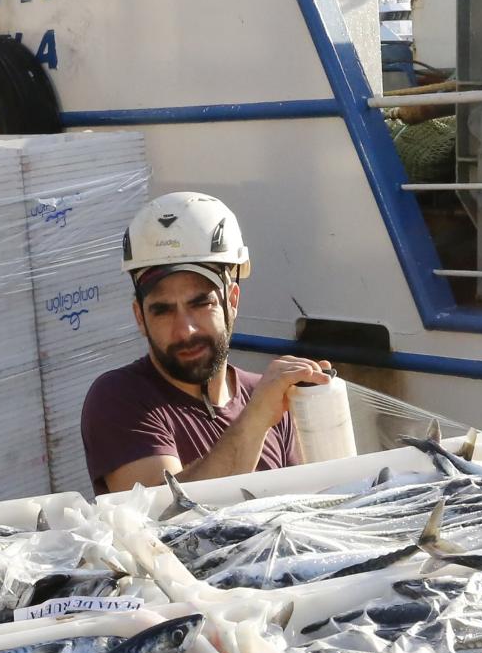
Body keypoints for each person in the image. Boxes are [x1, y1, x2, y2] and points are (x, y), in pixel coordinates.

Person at [81, 192, 331, 496]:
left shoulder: (267, 398)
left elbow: (313, 509)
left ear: (233, 301)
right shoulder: (119, 399)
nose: (185, 330)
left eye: (201, 304)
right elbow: (164, 517)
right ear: (139, 316)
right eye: (163, 310)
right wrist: (256, 419)